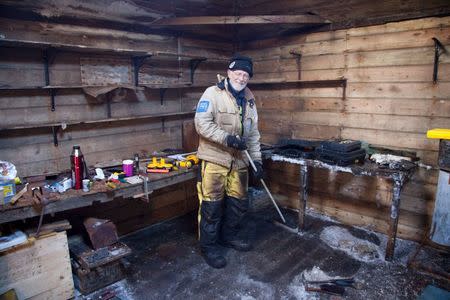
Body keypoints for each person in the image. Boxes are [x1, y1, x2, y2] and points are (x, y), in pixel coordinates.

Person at [194, 54, 263, 268]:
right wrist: (228, 139)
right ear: (229, 72)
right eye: (238, 73)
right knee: (211, 207)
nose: (242, 78)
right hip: (215, 160)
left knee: (238, 204)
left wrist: (258, 162)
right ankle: (209, 247)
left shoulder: (250, 100)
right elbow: (201, 124)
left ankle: (229, 236)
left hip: (240, 162)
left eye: (246, 75)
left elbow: (253, 135)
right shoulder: (212, 94)